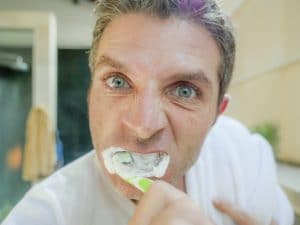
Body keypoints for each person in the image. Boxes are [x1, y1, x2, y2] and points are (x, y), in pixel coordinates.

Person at [2, 0, 294, 224]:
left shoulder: (245, 161)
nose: (143, 126)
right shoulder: (44, 215)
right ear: (90, 96)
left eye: (184, 91)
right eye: (118, 82)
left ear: (217, 114)